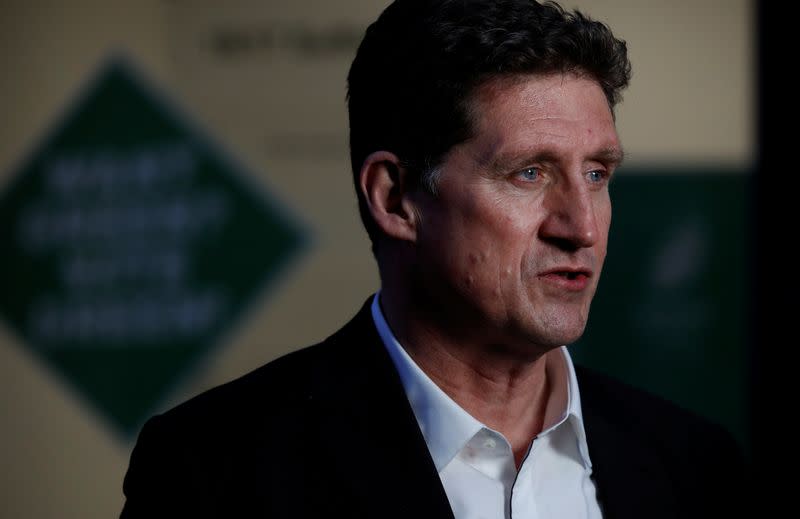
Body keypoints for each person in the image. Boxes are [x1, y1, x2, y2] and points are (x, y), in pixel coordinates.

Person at [120, 1, 748, 517]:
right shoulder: (212, 471)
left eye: (596, 173)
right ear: (395, 199)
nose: (581, 227)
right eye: (530, 173)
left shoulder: (698, 465)